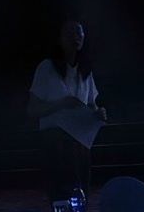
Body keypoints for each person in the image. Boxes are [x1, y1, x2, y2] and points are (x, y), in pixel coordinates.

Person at [29, 19, 104, 152]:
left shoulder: (85, 71)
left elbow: (91, 104)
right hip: (54, 140)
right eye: (70, 33)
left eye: (79, 33)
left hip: (80, 141)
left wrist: (98, 113)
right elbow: (32, 109)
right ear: (61, 39)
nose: (75, 37)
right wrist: (62, 104)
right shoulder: (47, 68)